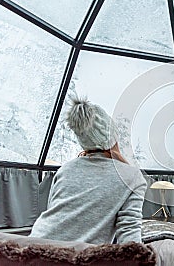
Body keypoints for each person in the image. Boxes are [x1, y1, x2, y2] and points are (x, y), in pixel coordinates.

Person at [29, 97, 147, 244]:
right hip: (76, 257)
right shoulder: (132, 177)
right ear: (113, 137)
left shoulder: (65, 170)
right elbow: (129, 231)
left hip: (35, 246)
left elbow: (55, 213)